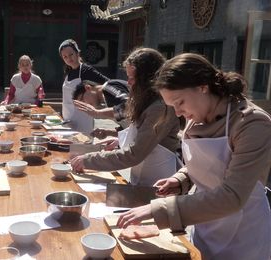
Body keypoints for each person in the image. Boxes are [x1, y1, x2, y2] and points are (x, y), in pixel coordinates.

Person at [117, 53, 271, 260]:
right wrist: (181, 179)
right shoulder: (196, 117)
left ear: (202, 86)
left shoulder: (251, 124)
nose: (178, 113)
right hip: (205, 225)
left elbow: (232, 196)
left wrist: (159, 209)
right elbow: (206, 163)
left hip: (244, 236)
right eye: (172, 107)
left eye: (179, 102)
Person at [70, 48, 180, 186]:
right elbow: (140, 132)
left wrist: (88, 160)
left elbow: (135, 153)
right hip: (142, 179)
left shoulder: (160, 107)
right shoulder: (145, 100)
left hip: (161, 182)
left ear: (147, 78)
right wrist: (119, 140)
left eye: (132, 78)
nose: (128, 82)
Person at [59, 39, 109, 132]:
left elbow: (107, 83)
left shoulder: (86, 70)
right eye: (65, 57)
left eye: (71, 54)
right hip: (67, 117)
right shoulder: (68, 72)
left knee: (83, 143)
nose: (69, 59)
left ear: (77, 53)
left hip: (83, 118)